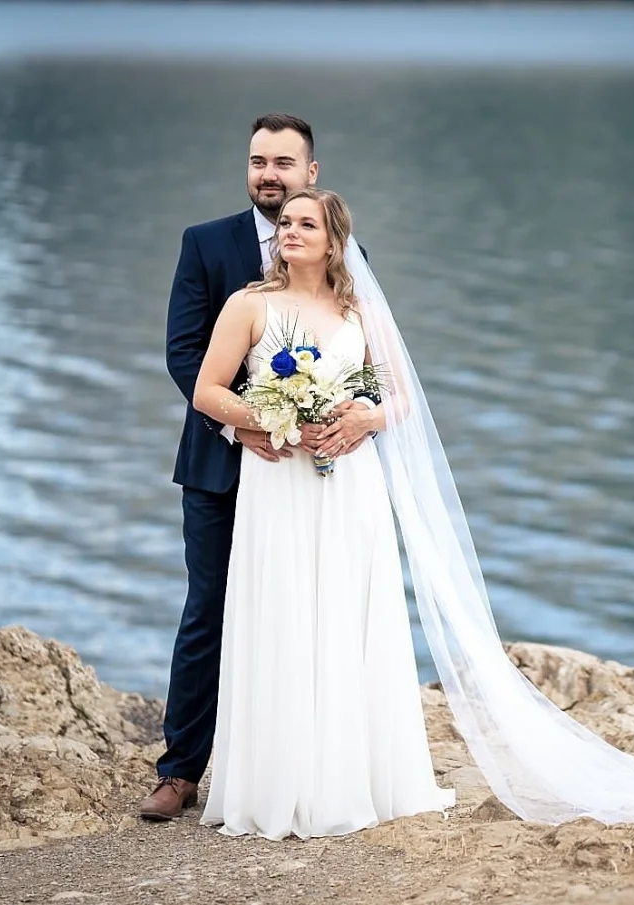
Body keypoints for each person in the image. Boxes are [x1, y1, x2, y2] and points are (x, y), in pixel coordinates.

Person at [191, 185, 634, 840]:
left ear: (334, 239)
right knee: (285, 616)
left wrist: (365, 417)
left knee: (350, 620)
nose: (289, 231)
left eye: (305, 223)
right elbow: (210, 390)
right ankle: (278, 785)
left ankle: (353, 780)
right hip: (281, 488)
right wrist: (271, 417)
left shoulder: (359, 310)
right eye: (286, 223)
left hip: (350, 487)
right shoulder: (250, 305)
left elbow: (400, 400)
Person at [143, 114, 372, 821]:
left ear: (311, 172)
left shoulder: (342, 250)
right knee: (210, 609)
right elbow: (187, 355)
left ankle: (295, 764)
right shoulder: (206, 243)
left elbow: (364, 358)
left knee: (307, 608)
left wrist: (359, 414)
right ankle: (180, 772)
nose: (267, 173)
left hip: (310, 478)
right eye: (256, 161)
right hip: (221, 464)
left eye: (282, 162)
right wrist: (250, 423)